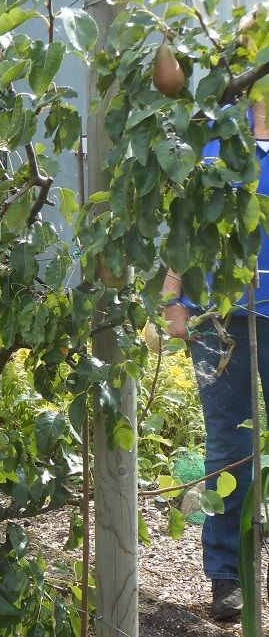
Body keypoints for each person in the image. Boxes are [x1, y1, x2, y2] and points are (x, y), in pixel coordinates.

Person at [162, 98, 269, 621]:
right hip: (217, 317)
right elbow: (187, 219)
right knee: (229, 443)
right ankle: (227, 576)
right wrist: (173, 294)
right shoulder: (215, 126)